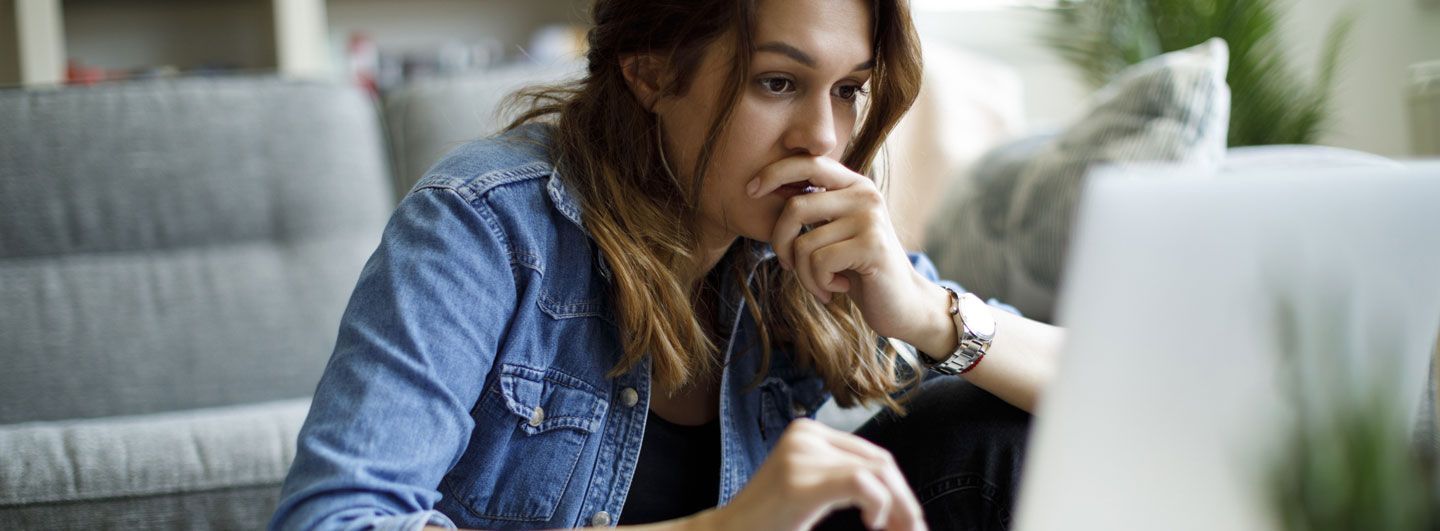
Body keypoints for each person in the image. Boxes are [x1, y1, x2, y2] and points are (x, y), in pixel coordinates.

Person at [269, 0, 1064, 529]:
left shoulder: (797, 246)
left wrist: (925, 311)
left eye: (849, 90)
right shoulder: (485, 222)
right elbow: (332, 520)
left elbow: (1115, 396)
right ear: (650, 69)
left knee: (989, 429)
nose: (823, 138)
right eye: (778, 82)